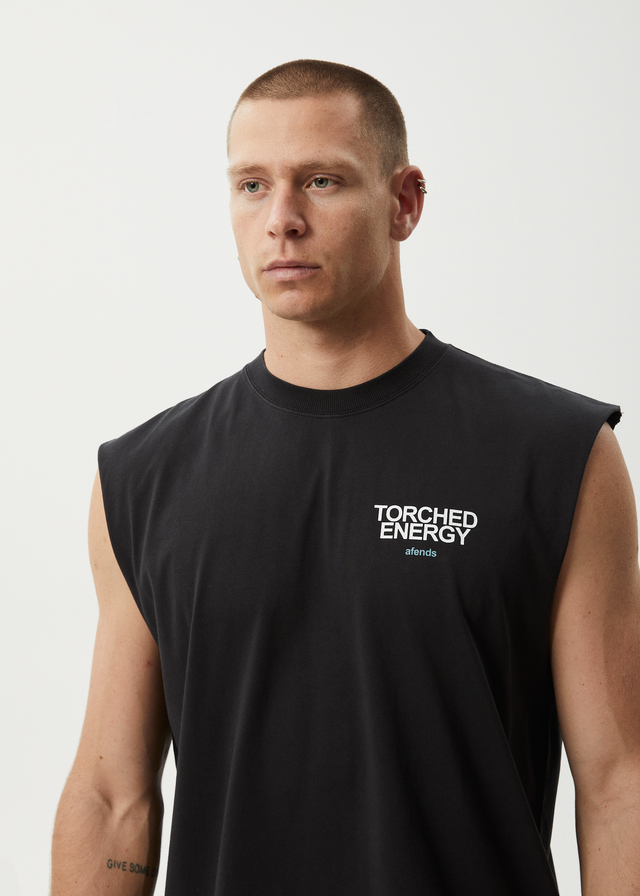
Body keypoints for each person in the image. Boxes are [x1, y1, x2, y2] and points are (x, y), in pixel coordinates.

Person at [51, 59, 640, 895]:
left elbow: (619, 786)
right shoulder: (143, 477)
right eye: (252, 185)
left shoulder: (556, 455)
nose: (282, 221)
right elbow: (113, 799)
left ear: (405, 203)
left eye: (321, 181)